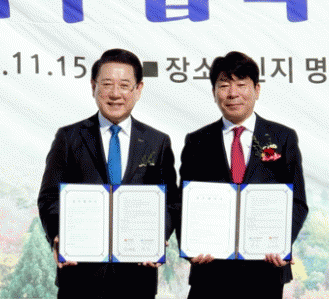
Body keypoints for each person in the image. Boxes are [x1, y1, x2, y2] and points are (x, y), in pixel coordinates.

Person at [38, 48, 179, 299]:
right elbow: (49, 197)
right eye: (107, 84)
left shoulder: (157, 142)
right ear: (93, 87)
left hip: (137, 277)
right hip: (80, 277)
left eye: (124, 85)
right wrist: (60, 235)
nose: (115, 94)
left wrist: (159, 236)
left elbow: (171, 202)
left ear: (138, 89)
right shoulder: (69, 138)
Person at [179, 51, 309, 299]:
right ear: (214, 92)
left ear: (256, 90)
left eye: (241, 84)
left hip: (265, 271)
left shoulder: (282, 138)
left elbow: (298, 202)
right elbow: (183, 202)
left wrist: (281, 244)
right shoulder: (197, 141)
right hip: (210, 271)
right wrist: (191, 247)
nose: (232, 93)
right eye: (224, 85)